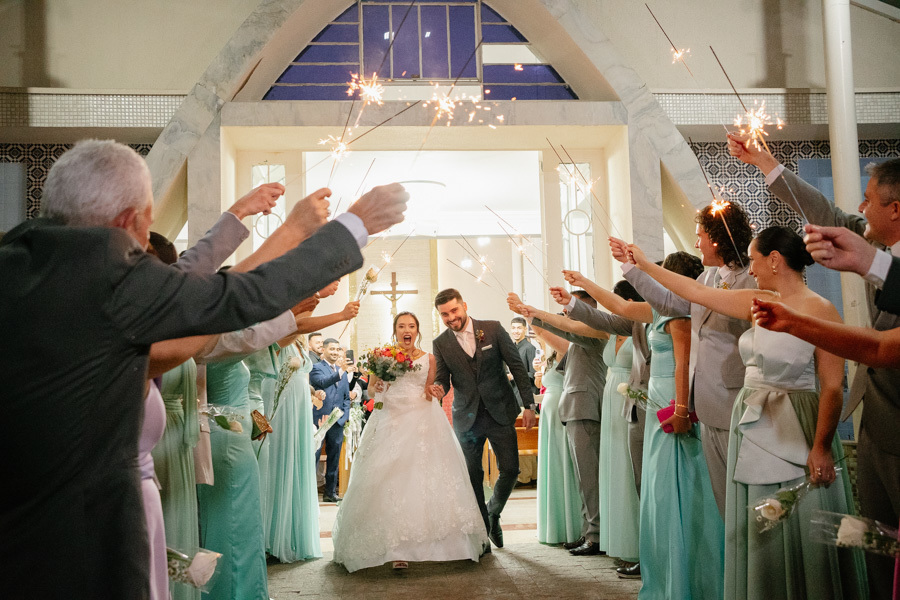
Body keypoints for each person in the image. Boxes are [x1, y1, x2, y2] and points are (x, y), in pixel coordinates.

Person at [0, 138, 408, 599]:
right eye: (146, 226)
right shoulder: (109, 278)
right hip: (85, 536)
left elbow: (194, 279)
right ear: (128, 222)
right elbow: (236, 297)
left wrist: (248, 220)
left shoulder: (19, 263)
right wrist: (352, 224)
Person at [625, 227, 866, 599]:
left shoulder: (821, 309)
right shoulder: (759, 301)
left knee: (795, 519)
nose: (750, 269)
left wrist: (820, 447)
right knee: (755, 522)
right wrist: (642, 265)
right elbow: (695, 292)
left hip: (794, 419)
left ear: (774, 260)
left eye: (754, 260)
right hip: (749, 419)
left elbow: (833, 387)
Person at [730, 137, 900, 598]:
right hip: (878, 418)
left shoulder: (831, 296)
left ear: (895, 209)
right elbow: (826, 211)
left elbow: (883, 349)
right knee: (879, 543)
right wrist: (766, 163)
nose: (860, 208)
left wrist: (798, 323)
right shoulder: (876, 244)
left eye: (868, 199)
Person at [611, 200, 756, 519]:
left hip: (738, 400)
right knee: (724, 502)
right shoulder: (707, 278)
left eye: (700, 235)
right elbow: (668, 302)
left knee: (746, 498)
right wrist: (631, 268)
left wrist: (646, 265)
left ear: (716, 239)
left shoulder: (751, 279)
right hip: (707, 401)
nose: (696, 243)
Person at [332, 312, 489, 571]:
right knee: (390, 478)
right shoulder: (381, 356)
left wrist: (434, 391)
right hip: (391, 418)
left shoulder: (429, 358)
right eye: (402, 326)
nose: (407, 330)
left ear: (417, 331)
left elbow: (429, 390)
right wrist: (376, 388)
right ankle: (396, 549)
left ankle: (443, 545)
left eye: (412, 326)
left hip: (423, 420)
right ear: (395, 330)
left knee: (425, 476)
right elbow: (370, 390)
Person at [428, 289, 536, 551]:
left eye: (454, 311)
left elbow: (517, 367)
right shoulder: (441, 343)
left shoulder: (493, 329)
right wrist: (438, 388)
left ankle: (493, 511)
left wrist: (529, 405)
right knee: (472, 475)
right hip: (467, 417)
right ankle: (482, 534)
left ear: (464, 305)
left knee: (511, 469)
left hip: (500, 411)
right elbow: (443, 377)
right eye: (444, 314)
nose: (451, 318)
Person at [547, 280, 643, 571]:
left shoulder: (602, 331)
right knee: (594, 475)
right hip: (607, 403)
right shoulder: (612, 333)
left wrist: (535, 315)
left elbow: (569, 329)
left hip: (608, 402)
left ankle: (599, 534)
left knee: (600, 474)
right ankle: (597, 532)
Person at [508, 291, 609, 557]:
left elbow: (555, 334)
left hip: (586, 407)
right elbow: (553, 337)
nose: (565, 314)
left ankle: (596, 535)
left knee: (590, 476)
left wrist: (530, 313)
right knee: (583, 477)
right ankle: (589, 531)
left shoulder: (592, 332)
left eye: (570, 309)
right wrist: (530, 316)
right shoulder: (578, 339)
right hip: (576, 409)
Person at [531, 332, 582, 545]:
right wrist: (539, 371)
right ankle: (553, 526)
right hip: (548, 414)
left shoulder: (567, 350)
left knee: (563, 463)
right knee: (551, 464)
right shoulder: (550, 357)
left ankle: (571, 525)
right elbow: (540, 383)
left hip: (562, 409)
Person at [310, 338, 354, 503]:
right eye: (332, 349)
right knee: (314, 456)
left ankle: (330, 493)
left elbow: (346, 397)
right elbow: (322, 382)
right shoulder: (316, 368)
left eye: (337, 349)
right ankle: (310, 494)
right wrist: (341, 372)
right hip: (320, 420)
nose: (335, 352)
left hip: (338, 421)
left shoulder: (342, 372)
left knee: (334, 458)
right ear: (324, 350)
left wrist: (345, 416)